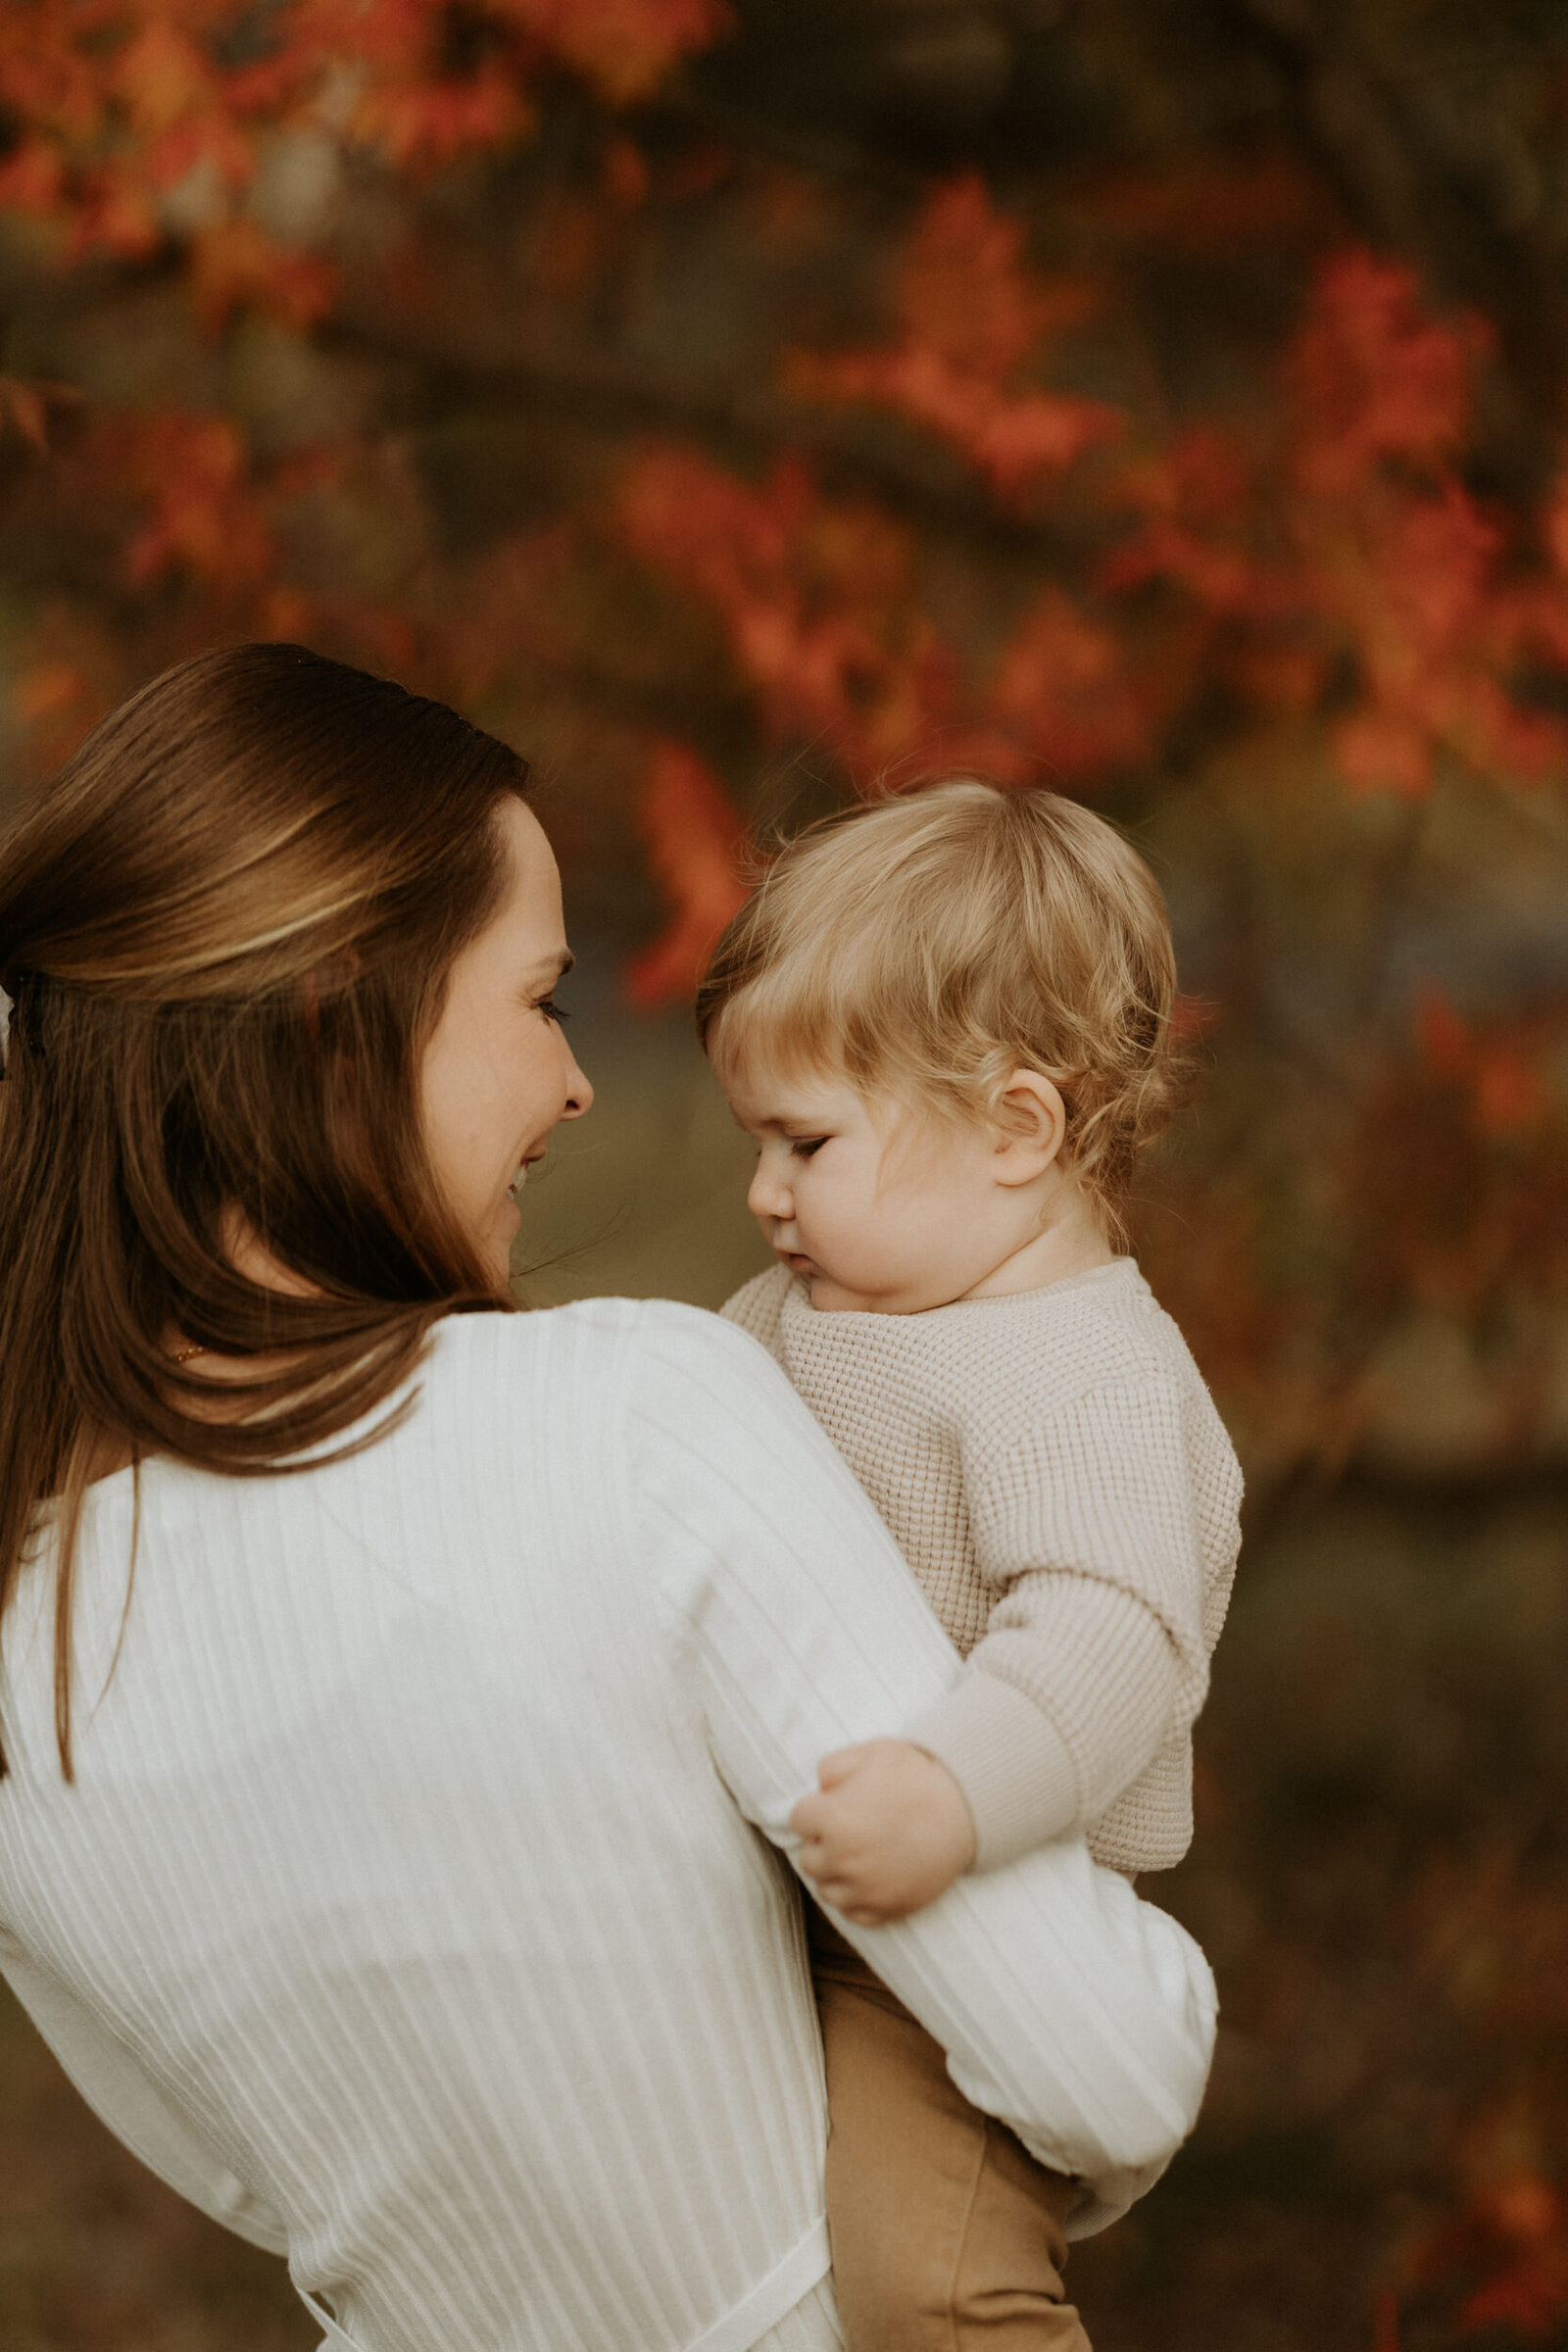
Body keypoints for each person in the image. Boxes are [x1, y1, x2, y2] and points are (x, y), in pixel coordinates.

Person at [0, 648, 1216, 2352]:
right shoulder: (631, 1416)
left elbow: (261, 2181)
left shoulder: (24, 1654)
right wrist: (1164, 1984)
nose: (576, 1085)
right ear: (338, 1010)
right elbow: (1098, 2064)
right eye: (541, 999)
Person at [701, 779, 1244, 2352]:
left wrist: (951, 1796)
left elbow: (1110, 1634)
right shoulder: (808, 1309)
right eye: (758, 1142)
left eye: (804, 1141)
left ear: (1018, 1127)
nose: (762, 1192)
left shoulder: (1085, 1379)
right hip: (777, 1875)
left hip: (971, 1910)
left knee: (923, 2278)